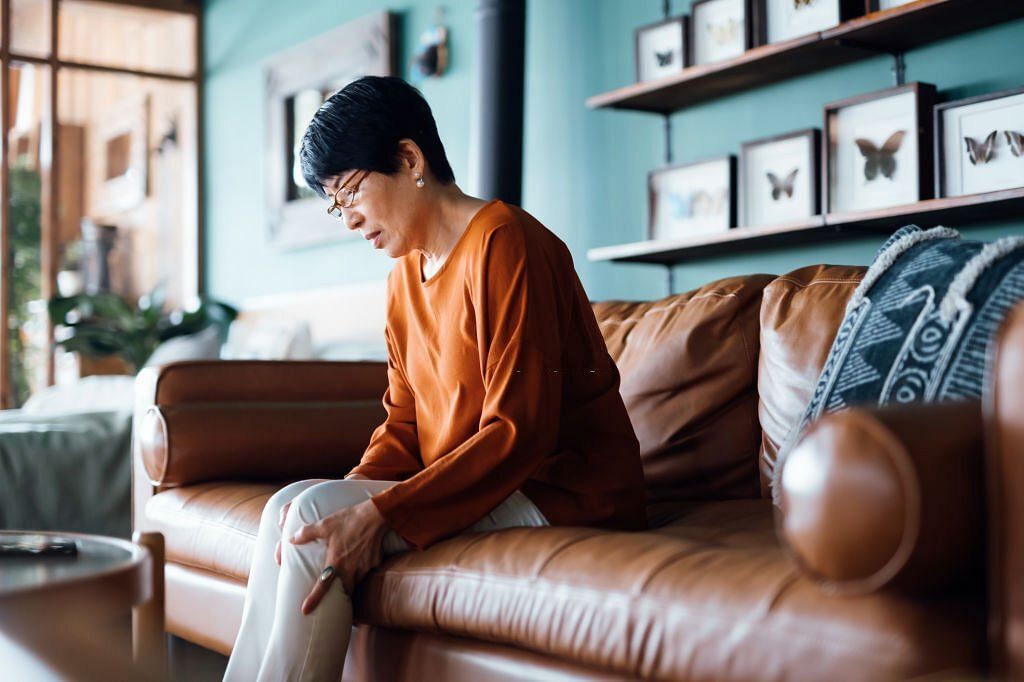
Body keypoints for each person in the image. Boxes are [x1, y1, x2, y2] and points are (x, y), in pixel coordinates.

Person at [222, 75, 646, 682]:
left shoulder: (507, 242)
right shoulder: (402, 277)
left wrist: (380, 515)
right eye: (334, 204)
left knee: (312, 514)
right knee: (292, 510)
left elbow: (519, 432)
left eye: (349, 192)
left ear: (409, 158)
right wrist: (354, 498)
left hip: (563, 492)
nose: (346, 219)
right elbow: (403, 423)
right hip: (480, 486)